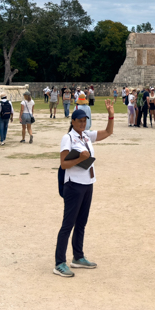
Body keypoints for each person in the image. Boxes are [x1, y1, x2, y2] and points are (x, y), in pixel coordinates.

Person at [54, 101, 116, 277]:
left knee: (81, 223)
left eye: (84, 121)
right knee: (68, 224)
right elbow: (64, 164)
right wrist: (80, 159)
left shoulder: (86, 136)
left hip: (88, 184)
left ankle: (78, 257)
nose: (82, 124)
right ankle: (59, 262)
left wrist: (111, 115)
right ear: (73, 122)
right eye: (79, 121)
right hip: (73, 185)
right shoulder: (69, 138)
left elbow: (108, 132)